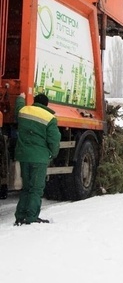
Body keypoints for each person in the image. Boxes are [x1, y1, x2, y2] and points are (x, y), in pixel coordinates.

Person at [14, 93, 60, 225]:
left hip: (23, 156)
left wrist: (20, 98)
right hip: (39, 158)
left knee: (26, 187)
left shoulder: (24, 111)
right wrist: (52, 153)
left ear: (34, 101)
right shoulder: (50, 118)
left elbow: (18, 108)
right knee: (36, 189)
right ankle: (31, 217)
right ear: (46, 104)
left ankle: (20, 216)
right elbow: (54, 140)